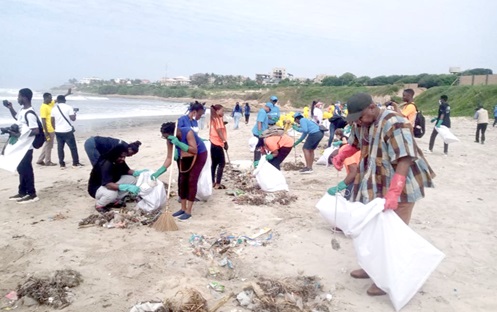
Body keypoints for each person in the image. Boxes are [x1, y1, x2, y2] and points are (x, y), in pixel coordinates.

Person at [332, 92, 434, 296]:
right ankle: (372, 269)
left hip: (401, 185)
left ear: (371, 107)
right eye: (356, 119)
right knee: (374, 230)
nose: (359, 122)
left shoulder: (395, 123)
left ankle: (387, 279)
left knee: (392, 235)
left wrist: (395, 191)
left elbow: (405, 159)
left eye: (361, 117)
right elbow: (355, 143)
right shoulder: (361, 122)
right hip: (375, 183)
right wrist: (342, 154)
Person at [151, 122, 208, 220]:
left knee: (191, 180)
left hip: (199, 155)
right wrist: (159, 171)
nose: (166, 139)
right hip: (184, 156)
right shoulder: (169, 139)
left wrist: (178, 143)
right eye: (164, 138)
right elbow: (169, 157)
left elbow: (194, 150)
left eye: (166, 137)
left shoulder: (188, 132)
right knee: (182, 181)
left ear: (174, 132)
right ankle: (183, 208)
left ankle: (188, 211)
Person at [3, 88, 40, 203]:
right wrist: (10, 108)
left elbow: (36, 130)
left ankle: (32, 194)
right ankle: (22, 192)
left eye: (19, 96)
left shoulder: (30, 114)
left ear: (25, 97)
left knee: (26, 170)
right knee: (21, 169)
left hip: (26, 147)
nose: (17, 99)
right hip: (21, 147)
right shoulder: (22, 110)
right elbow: (18, 118)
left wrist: (18, 134)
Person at [88, 144, 146, 213]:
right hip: (98, 188)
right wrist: (126, 187)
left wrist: (137, 173)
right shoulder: (106, 164)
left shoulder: (119, 160)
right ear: (115, 155)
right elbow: (108, 184)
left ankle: (114, 201)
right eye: (121, 157)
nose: (123, 159)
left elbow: (127, 170)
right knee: (111, 194)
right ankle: (100, 205)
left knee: (132, 180)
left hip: (112, 181)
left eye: (124, 157)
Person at [37, 89, 71, 166]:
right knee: (49, 146)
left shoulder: (50, 104)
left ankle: (40, 160)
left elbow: (58, 100)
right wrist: (45, 132)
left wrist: (67, 94)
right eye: (50, 98)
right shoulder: (43, 107)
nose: (51, 99)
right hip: (49, 129)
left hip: (52, 128)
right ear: (45, 98)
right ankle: (48, 161)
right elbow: (43, 120)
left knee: (47, 145)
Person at [51, 95, 84, 168]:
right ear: (64, 100)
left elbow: (52, 121)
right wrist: (75, 113)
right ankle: (75, 163)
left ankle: (62, 164)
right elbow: (73, 119)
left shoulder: (54, 109)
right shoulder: (69, 107)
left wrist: (55, 129)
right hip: (67, 130)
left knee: (60, 148)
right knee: (73, 148)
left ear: (57, 101)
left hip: (58, 131)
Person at [210, 104, 228, 189]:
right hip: (217, 143)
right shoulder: (218, 119)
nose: (223, 112)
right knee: (221, 163)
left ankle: (212, 181)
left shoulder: (213, 118)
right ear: (217, 111)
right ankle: (217, 183)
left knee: (214, 163)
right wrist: (224, 141)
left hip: (212, 142)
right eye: (222, 110)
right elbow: (219, 130)